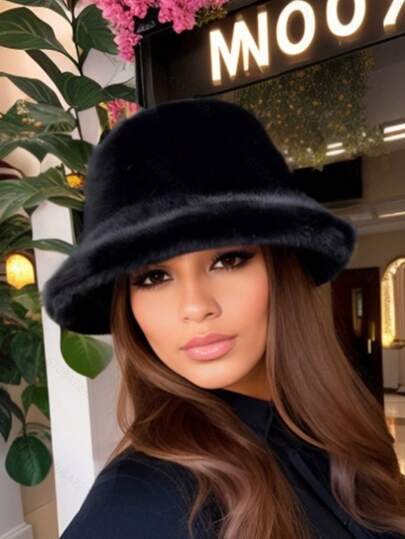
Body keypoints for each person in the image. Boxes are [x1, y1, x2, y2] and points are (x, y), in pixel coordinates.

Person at [43, 97, 405, 539]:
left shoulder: (343, 427)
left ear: (280, 268)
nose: (196, 306)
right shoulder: (140, 500)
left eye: (228, 260)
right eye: (154, 277)